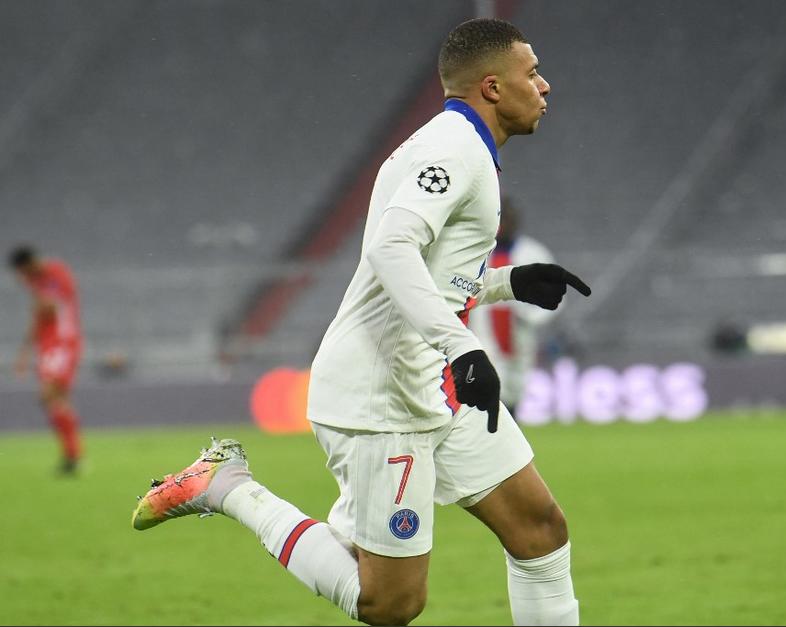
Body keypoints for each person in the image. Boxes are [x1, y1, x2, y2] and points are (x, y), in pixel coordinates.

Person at [132, 18, 590, 626]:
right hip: (381, 397)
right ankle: (225, 487)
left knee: (540, 531)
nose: (545, 84)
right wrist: (462, 348)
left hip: (433, 386)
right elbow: (390, 250)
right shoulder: (454, 150)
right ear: (492, 87)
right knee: (391, 604)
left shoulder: (459, 146)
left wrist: (510, 282)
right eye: (532, 73)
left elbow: (425, 276)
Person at [469, 197, 558, 415]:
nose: (504, 224)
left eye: (508, 218)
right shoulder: (476, 251)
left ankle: (510, 422)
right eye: (501, 218)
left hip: (520, 334)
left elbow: (555, 292)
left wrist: (529, 313)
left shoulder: (532, 253)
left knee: (516, 387)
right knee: (490, 384)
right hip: (485, 333)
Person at [8, 245, 84, 475]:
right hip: (47, 344)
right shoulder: (35, 282)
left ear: (28, 264)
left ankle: (74, 456)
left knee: (50, 394)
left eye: (22, 271)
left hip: (62, 340)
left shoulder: (56, 273)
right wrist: (25, 352)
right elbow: (38, 318)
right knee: (55, 399)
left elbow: (52, 306)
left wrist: (40, 301)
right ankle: (72, 456)